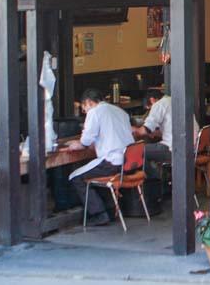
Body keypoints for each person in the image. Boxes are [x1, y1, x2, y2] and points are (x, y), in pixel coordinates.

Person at [66, 88, 135, 227]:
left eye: (84, 109)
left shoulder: (95, 112)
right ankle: (109, 210)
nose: (84, 112)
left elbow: (85, 142)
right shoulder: (119, 111)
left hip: (112, 162)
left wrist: (75, 144)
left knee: (75, 177)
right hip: (128, 162)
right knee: (90, 171)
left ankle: (99, 214)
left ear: (88, 102)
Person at [133, 87, 199, 208]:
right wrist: (154, 132)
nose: (150, 110)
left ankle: (155, 186)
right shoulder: (175, 100)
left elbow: (144, 130)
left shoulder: (159, 105)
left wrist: (132, 130)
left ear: (152, 100)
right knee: (147, 151)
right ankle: (161, 186)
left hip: (174, 149)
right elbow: (171, 128)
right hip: (191, 147)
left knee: (137, 152)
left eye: (149, 108)